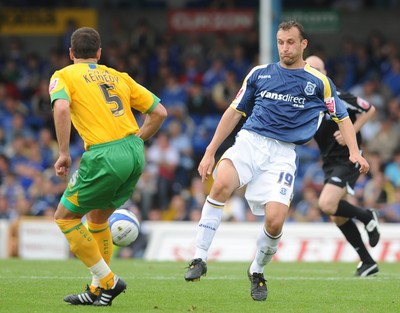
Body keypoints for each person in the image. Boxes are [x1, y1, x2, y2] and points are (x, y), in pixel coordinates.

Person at [183, 21, 369, 302]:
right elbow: (234, 113)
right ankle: (199, 257)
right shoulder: (260, 73)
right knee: (220, 185)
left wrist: (354, 152)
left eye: (291, 42)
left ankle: (256, 271)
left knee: (275, 221)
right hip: (250, 142)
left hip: (283, 155)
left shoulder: (318, 82)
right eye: (281, 42)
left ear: (303, 44)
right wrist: (210, 151)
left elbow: (342, 117)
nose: (285, 47)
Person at [49, 27, 167, 306]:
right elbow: (159, 112)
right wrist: (137, 140)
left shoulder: (63, 75)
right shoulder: (118, 76)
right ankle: (96, 292)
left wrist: (64, 153)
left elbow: (62, 108)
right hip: (134, 153)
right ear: (99, 54)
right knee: (98, 220)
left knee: (65, 217)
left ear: (71, 53)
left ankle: (109, 281)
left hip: (104, 156)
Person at [306, 55, 380, 277]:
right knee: (338, 216)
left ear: (325, 73)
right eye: (310, 70)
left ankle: (367, 216)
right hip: (329, 162)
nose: (314, 74)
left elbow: (370, 109)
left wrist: (352, 131)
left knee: (327, 203)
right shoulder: (308, 102)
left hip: (349, 158)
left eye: (318, 70)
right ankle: (368, 262)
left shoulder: (337, 96)